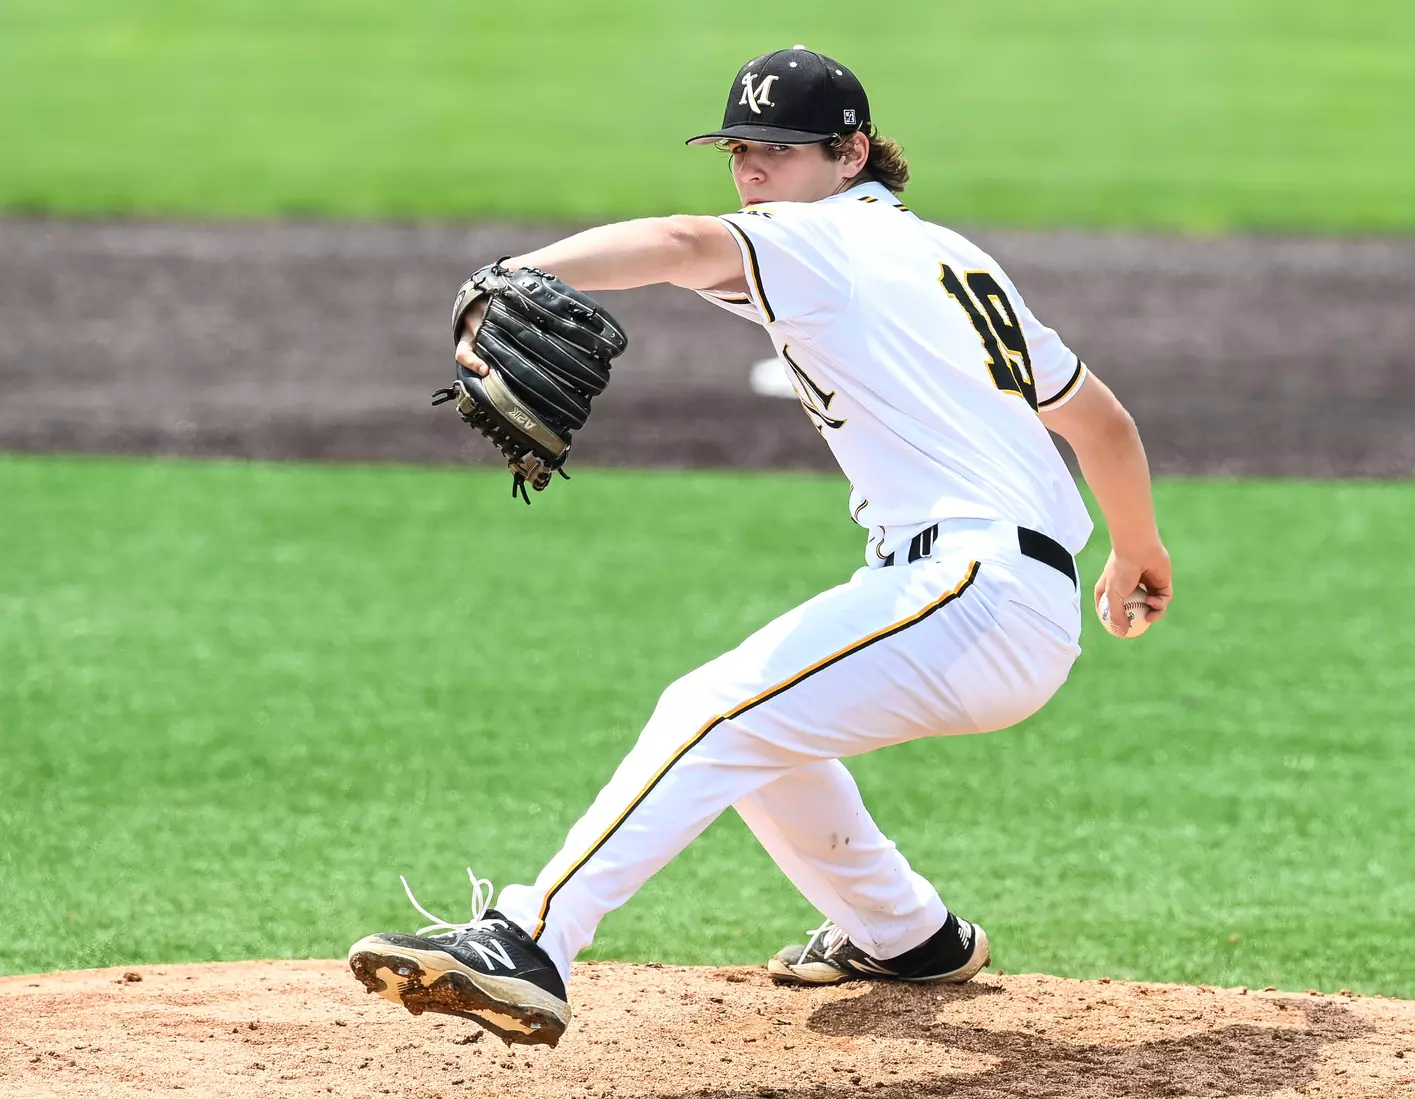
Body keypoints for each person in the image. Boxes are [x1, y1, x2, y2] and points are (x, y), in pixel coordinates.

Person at [347, 45, 1173, 1047]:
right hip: (991, 594)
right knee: (760, 711)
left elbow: (679, 240)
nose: (752, 171)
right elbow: (1100, 421)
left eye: (777, 150)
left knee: (710, 708)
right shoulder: (955, 260)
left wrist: (513, 275)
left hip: (972, 588)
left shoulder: (820, 238)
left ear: (850, 151)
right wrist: (1135, 548)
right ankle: (904, 931)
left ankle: (530, 938)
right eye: (740, 148)